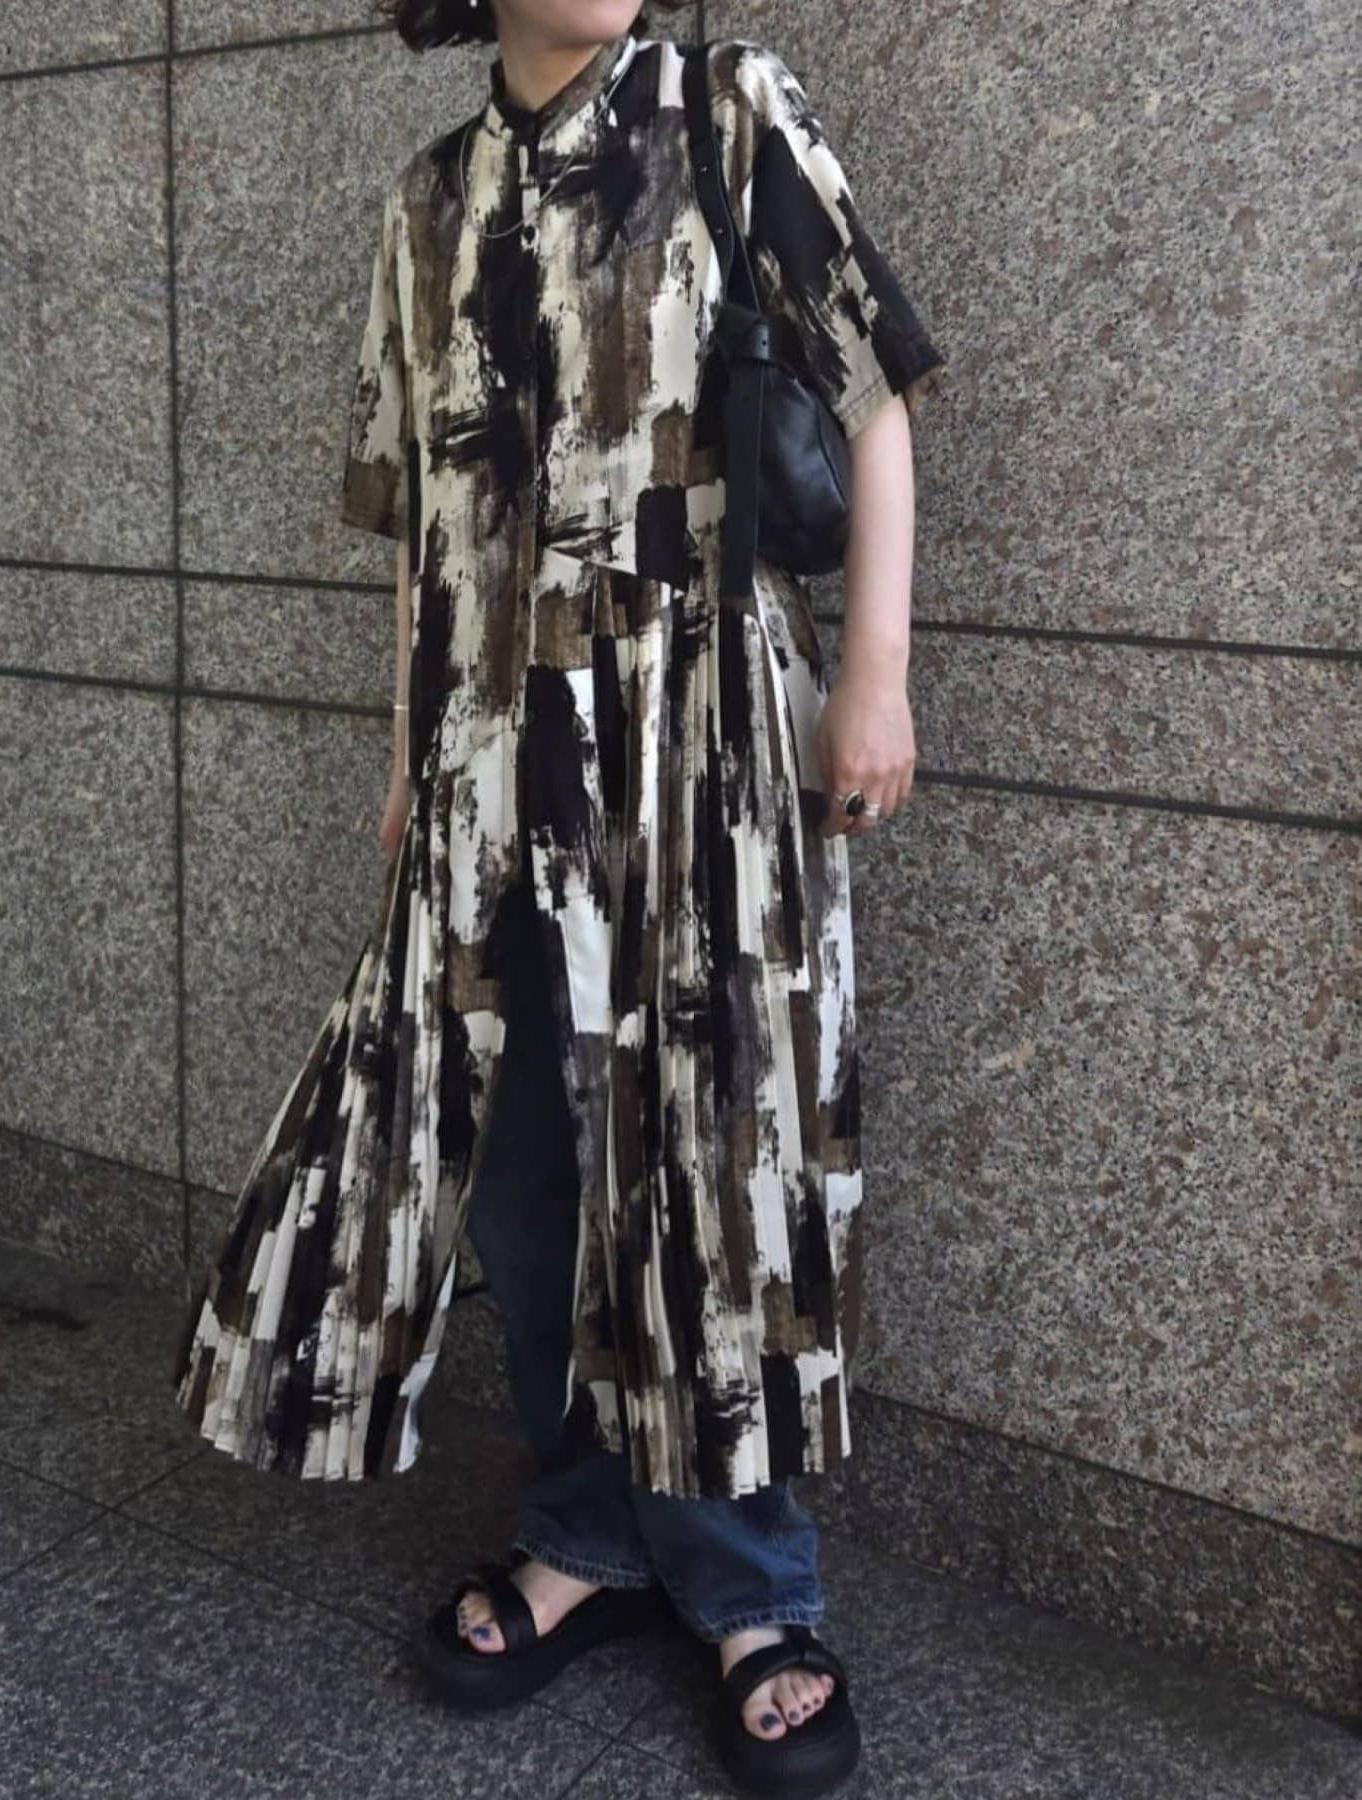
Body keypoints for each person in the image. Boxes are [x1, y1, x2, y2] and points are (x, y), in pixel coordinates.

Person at [170, 2, 946, 1792]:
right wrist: (405, 757)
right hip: (490, 771)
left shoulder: (727, 109)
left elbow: (877, 392)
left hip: (705, 752)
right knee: (521, 1171)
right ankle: (589, 1529)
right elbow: (423, 535)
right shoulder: (428, 200)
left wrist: (876, 675)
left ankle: (751, 1588)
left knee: (716, 1159)